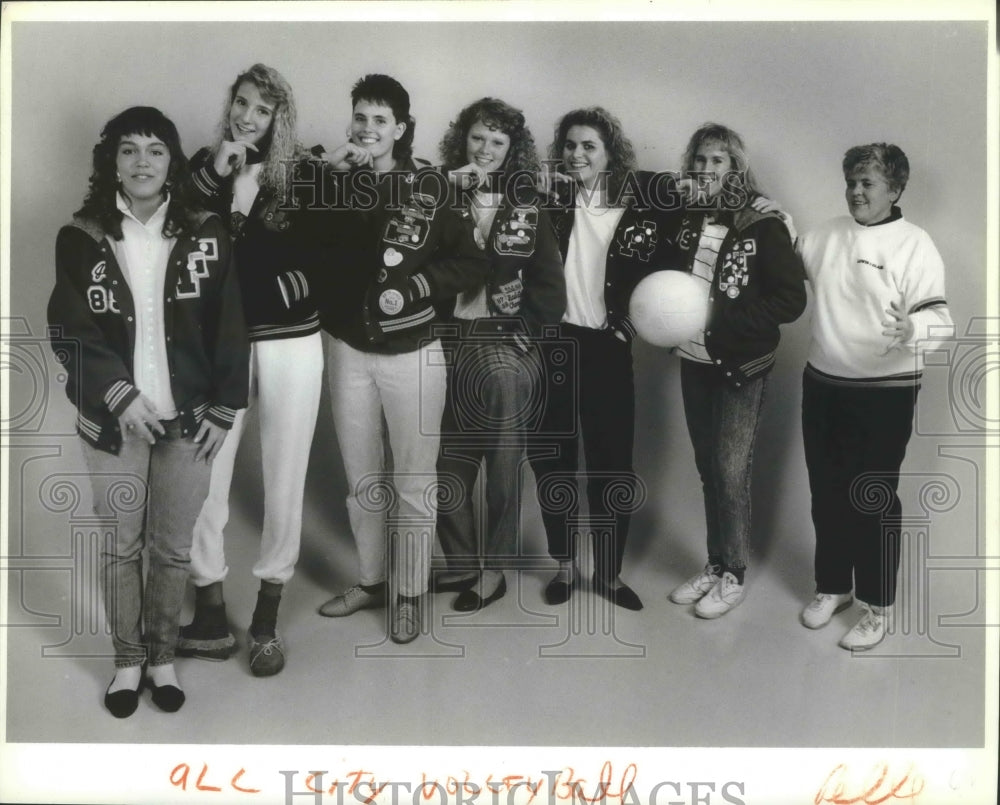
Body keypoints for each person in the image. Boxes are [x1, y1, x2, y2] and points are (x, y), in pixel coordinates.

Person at [47, 106, 248, 717]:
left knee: (171, 548)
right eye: (129, 150)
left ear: (171, 162)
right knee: (121, 547)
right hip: (115, 421)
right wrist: (120, 395)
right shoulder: (81, 235)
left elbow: (230, 323)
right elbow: (70, 328)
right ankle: (127, 661)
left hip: (190, 417)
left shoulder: (207, 230)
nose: (142, 162)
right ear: (112, 159)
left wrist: (225, 405)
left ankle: (162, 656)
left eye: (155, 150)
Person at [312, 75, 489, 642]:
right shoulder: (335, 180)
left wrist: (417, 288)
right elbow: (313, 250)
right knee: (362, 477)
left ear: (402, 129)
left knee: (413, 480)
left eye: (380, 120)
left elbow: (470, 264)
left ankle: (410, 591)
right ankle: (372, 580)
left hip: (412, 350)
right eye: (360, 117)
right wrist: (334, 183)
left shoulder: (429, 187)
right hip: (348, 349)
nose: (368, 129)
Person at [176, 64, 323, 677]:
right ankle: (208, 605)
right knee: (207, 470)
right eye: (241, 103)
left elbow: (331, 248)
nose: (247, 116)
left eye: (262, 110)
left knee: (285, 470)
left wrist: (295, 280)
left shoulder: (306, 173)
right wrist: (218, 171)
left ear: (278, 118)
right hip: (223, 344)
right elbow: (184, 239)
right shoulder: (200, 170)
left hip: (291, 338)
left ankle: (267, 612)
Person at [797, 143, 953, 650]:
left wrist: (913, 327)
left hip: (885, 392)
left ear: (895, 190)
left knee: (873, 498)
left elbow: (941, 320)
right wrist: (771, 220)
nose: (856, 191)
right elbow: (783, 255)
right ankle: (833, 587)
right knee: (826, 493)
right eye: (851, 181)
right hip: (822, 384)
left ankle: (878, 607)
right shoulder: (824, 234)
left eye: (868, 183)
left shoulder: (915, 244)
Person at [528, 106, 674, 611]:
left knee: (612, 466)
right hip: (554, 347)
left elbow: (680, 251)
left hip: (608, 348)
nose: (577, 154)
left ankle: (608, 574)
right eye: (569, 145)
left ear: (611, 152)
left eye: (589, 145)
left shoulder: (645, 200)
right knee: (553, 462)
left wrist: (630, 326)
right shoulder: (548, 199)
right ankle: (565, 566)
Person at [665, 123, 806, 619]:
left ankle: (734, 574)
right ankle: (714, 561)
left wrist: (732, 322)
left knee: (729, 469)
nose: (707, 169)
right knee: (708, 470)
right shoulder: (683, 216)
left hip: (740, 363)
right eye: (700, 160)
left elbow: (791, 298)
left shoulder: (761, 221)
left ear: (736, 167)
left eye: (718, 161)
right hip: (693, 358)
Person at [433, 97, 565, 611]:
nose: (485, 149)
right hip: (446, 340)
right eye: (477, 138)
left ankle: (496, 568)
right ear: (462, 139)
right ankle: (462, 563)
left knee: (503, 463)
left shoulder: (527, 202)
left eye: (497, 142)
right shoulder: (440, 192)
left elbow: (551, 286)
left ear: (512, 151)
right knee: (446, 466)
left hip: (503, 344)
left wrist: (527, 330)